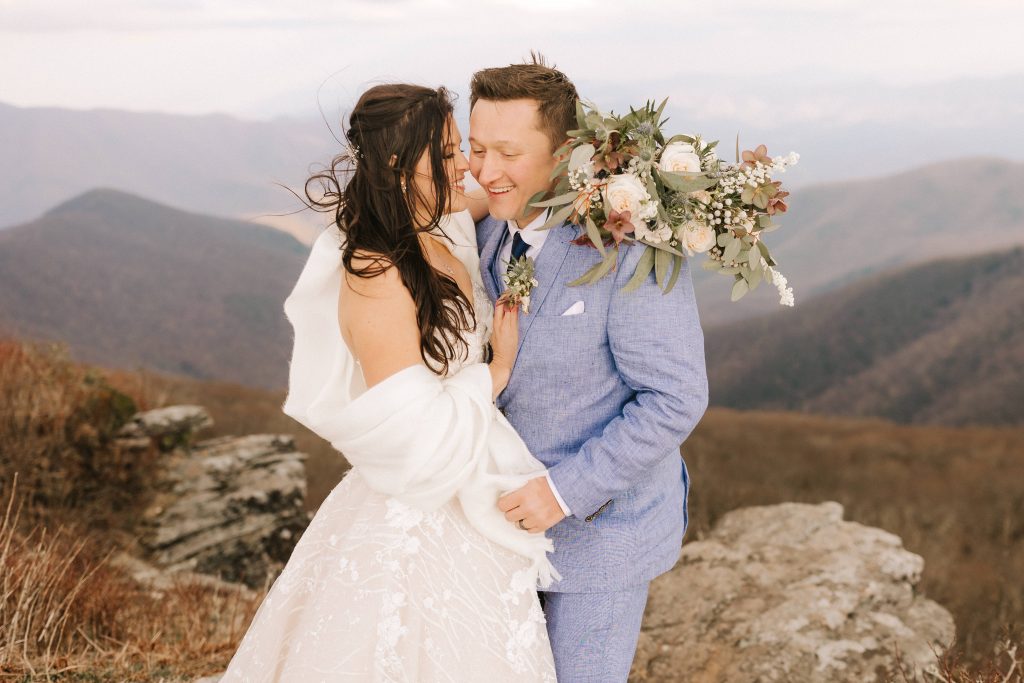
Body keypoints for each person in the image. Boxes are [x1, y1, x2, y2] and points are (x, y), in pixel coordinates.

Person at [220, 83, 558, 681]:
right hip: (419, 506)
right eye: (450, 152)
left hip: (471, 483)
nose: (468, 167)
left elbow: (513, 198)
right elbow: (408, 432)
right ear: (403, 167)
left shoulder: (444, 222)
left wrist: (608, 181)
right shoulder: (377, 272)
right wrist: (495, 372)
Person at [470, 56, 709, 682]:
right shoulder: (490, 232)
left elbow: (675, 399)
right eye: (474, 149)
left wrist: (561, 492)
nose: (486, 171)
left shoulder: (632, 250)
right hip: (493, 536)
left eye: (507, 153)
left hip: (601, 541)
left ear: (564, 155)